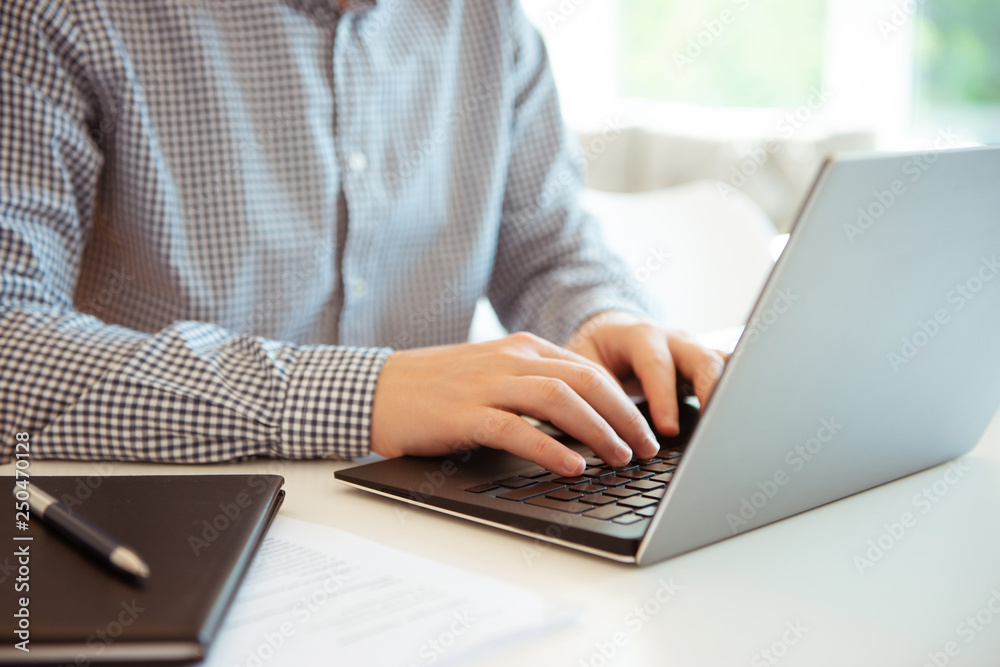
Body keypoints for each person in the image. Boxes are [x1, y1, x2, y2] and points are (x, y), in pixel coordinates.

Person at [0, 0, 726, 476]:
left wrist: (600, 317)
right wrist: (365, 392)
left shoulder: (490, 20)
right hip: (158, 523)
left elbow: (547, 249)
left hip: (426, 522)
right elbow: (9, 346)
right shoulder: (61, 16)